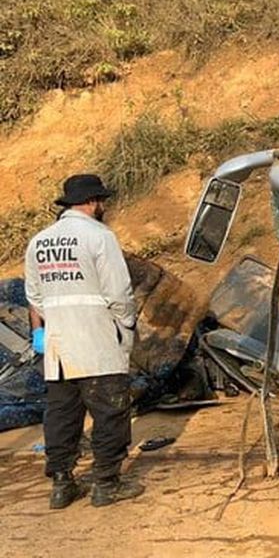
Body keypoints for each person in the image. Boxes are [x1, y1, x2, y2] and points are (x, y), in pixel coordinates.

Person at [23, 174, 143, 508]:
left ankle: (62, 485)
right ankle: (106, 483)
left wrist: (47, 329)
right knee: (110, 411)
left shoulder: (39, 241)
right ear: (92, 202)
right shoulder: (99, 236)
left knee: (62, 415)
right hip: (98, 340)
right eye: (101, 201)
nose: (103, 207)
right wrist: (126, 327)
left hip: (58, 348)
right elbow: (119, 292)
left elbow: (33, 295)